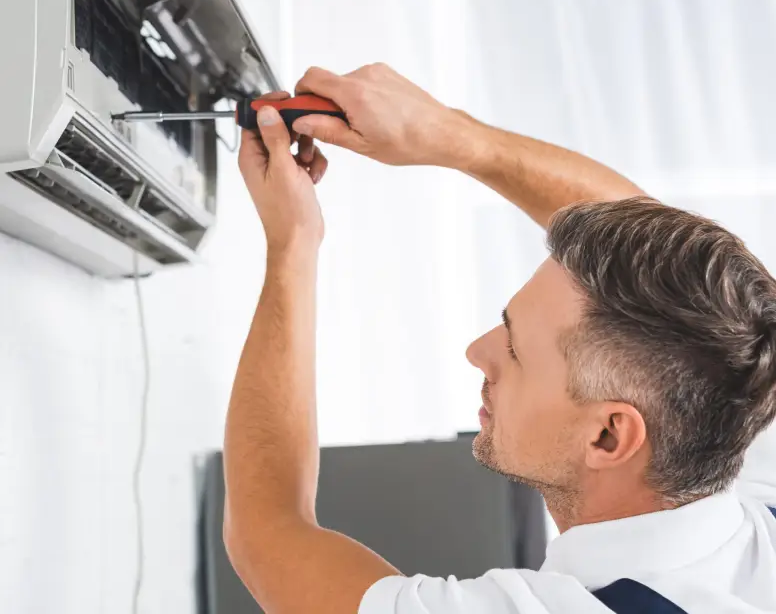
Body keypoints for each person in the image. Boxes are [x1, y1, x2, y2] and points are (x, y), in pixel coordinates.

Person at [222, 63, 776, 613]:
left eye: (514, 350)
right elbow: (683, 271)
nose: (476, 353)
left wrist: (293, 242)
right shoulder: (731, 400)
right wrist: (447, 135)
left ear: (608, 435)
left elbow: (269, 534)